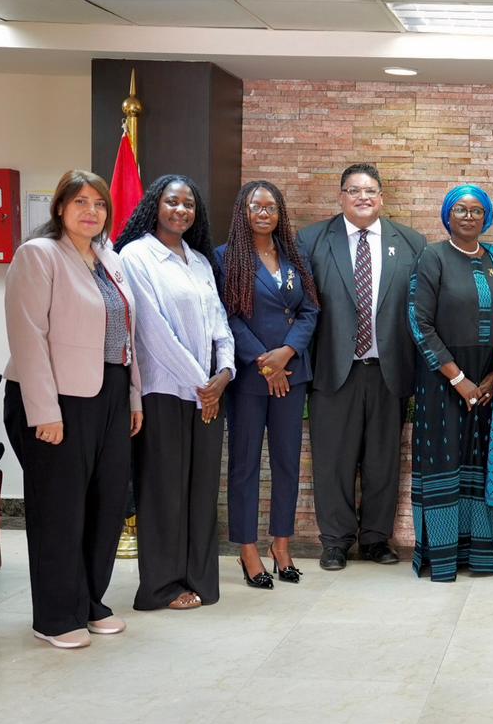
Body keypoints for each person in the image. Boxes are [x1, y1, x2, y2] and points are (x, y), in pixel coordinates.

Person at [2, 170, 142, 648]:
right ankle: (56, 616)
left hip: (110, 394)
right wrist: (44, 412)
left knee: (106, 504)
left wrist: (133, 397)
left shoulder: (110, 258)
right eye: (80, 201)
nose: (91, 211)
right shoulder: (38, 255)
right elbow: (28, 336)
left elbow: (128, 336)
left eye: (99, 204)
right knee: (59, 509)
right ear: (60, 207)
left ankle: (89, 602)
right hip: (56, 398)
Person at [297, 163, 426, 571]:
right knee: (332, 461)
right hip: (333, 370)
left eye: (370, 190)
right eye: (354, 190)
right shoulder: (312, 240)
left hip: (388, 371)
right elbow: (301, 308)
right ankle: (335, 542)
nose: (363, 197)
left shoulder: (411, 243)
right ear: (341, 197)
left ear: (382, 197)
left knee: (382, 461)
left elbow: (418, 311)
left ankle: (375, 539)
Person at [117, 174, 233, 611]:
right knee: (164, 491)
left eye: (189, 204)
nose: (181, 210)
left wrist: (224, 372)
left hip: (208, 393)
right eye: (173, 201)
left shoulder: (199, 261)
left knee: (201, 492)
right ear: (155, 205)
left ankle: (199, 578)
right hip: (164, 392)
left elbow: (220, 322)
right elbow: (152, 332)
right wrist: (203, 384)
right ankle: (162, 586)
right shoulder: (136, 256)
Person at [408, 184, 493, 582]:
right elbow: (419, 322)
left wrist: (492, 377)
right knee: (444, 465)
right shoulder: (433, 257)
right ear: (447, 216)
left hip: (488, 381)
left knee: (479, 464)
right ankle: (442, 557)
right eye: (461, 210)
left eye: (476, 211)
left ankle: (480, 554)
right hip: (443, 378)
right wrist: (458, 379)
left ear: (486, 217)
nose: (469, 217)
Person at [216, 180, 319, 589]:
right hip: (250, 377)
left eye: (271, 207)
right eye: (256, 206)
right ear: (243, 212)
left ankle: (281, 545)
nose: (264, 213)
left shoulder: (295, 257)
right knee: (244, 465)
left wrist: (286, 354)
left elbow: (310, 311)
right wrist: (265, 362)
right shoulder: (225, 258)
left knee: (287, 463)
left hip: (292, 375)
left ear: (280, 214)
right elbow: (228, 316)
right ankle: (248, 551)